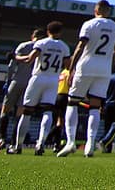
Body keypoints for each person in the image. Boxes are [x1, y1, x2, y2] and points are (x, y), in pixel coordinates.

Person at [57, 0, 115, 158]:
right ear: (108, 11)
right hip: (104, 69)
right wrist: (110, 66)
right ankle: (90, 144)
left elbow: (80, 46)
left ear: (96, 10)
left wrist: (71, 68)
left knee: (72, 102)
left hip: (86, 65)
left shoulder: (89, 24)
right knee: (95, 106)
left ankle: (71, 141)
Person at [7, 21, 70, 155]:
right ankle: (40, 144)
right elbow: (68, 65)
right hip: (53, 80)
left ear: (48, 31)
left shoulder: (41, 43)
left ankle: (18, 146)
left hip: (38, 77)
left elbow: (29, 59)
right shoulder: (64, 47)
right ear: (60, 32)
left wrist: (15, 57)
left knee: (27, 111)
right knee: (47, 112)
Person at [0, 29, 44, 153]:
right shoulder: (43, 48)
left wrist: (7, 81)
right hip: (30, 84)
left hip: (17, 81)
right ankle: (14, 144)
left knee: (5, 110)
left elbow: (12, 65)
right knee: (20, 115)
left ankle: (2, 139)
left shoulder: (23, 46)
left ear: (33, 36)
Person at [45, 66, 70, 152]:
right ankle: (46, 138)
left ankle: (56, 144)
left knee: (57, 122)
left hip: (57, 96)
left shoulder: (62, 72)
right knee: (60, 123)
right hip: (64, 97)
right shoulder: (70, 73)